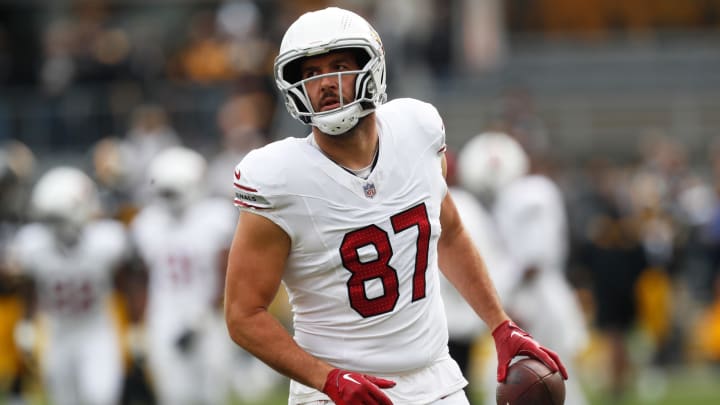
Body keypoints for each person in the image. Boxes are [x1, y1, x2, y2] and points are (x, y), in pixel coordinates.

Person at [224, 7, 567, 405]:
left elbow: (449, 233)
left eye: (338, 66)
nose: (325, 84)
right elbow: (243, 315)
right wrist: (328, 379)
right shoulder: (278, 177)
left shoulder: (417, 129)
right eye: (311, 73)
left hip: (435, 380)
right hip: (336, 392)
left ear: (372, 69)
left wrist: (501, 326)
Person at [130, 146, 275, 405]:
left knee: (210, 394)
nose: (168, 198)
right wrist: (138, 322)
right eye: (163, 191)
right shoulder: (148, 223)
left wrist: (207, 311)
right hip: (165, 314)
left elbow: (229, 271)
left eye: (172, 191)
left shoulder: (214, 217)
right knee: (174, 394)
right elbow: (141, 277)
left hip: (208, 317)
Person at [457, 132, 589, 405]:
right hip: (534, 296)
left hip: (536, 300)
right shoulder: (518, 196)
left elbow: (533, 261)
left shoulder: (529, 194)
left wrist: (505, 294)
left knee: (539, 381)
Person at [7, 166, 129, 405]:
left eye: (57, 218)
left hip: (96, 331)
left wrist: (135, 324)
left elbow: (126, 280)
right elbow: (28, 284)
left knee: (100, 396)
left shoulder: (105, 241)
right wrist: (27, 321)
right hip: (57, 332)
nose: (53, 227)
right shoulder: (33, 244)